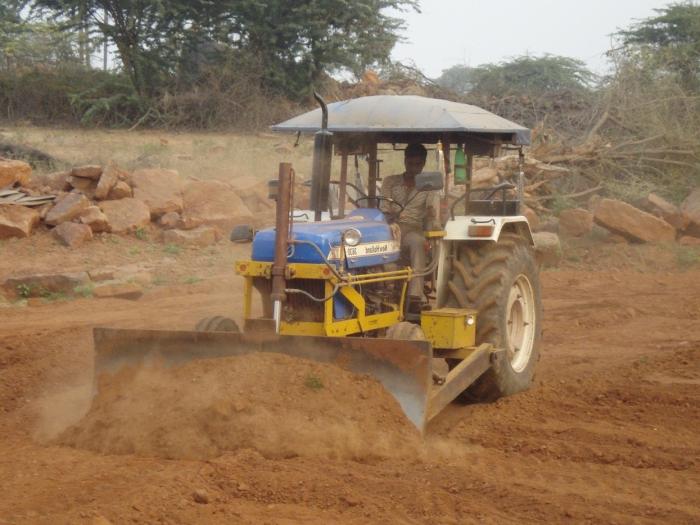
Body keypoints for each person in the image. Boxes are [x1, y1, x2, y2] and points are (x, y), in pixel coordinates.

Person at [380, 143, 441, 313]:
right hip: (390, 225)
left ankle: (415, 297)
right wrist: (389, 219)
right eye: (410, 164)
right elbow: (384, 206)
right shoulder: (391, 182)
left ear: (423, 164)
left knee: (418, 243)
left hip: (412, 228)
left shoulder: (428, 186)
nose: (414, 168)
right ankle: (381, 289)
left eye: (417, 165)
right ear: (405, 161)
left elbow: (431, 211)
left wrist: (432, 211)